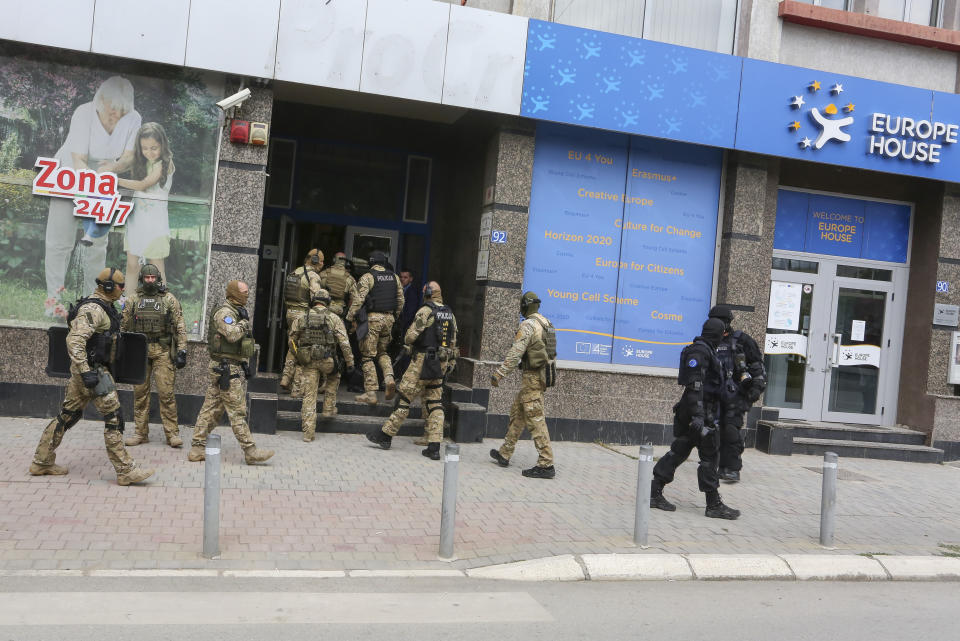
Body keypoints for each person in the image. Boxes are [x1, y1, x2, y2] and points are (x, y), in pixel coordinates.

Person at [29, 267, 154, 486]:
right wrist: (86, 372)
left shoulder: (104, 306)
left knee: (67, 415)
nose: (123, 289)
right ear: (107, 286)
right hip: (93, 373)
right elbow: (74, 340)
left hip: (88, 371)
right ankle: (125, 470)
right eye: (120, 286)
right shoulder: (93, 309)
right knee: (114, 418)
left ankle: (42, 461)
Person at [44, 76, 142, 315]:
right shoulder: (83, 113)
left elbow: (129, 156)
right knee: (60, 239)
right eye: (112, 109)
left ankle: (93, 299)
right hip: (70, 171)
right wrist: (90, 192)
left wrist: (111, 170)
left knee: (98, 241)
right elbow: (79, 158)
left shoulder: (134, 118)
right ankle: (53, 300)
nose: (116, 115)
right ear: (101, 102)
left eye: (121, 110)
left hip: (104, 175)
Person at [650, 318, 740, 519]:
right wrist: (699, 416)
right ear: (717, 333)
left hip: (695, 412)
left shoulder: (706, 350)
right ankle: (713, 504)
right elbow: (694, 387)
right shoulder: (699, 352)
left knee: (680, 451)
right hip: (698, 413)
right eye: (723, 333)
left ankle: (654, 492)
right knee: (709, 457)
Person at [367, 281, 457, 460]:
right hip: (440, 363)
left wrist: (409, 344)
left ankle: (385, 436)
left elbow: (411, 336)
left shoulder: (426, 310)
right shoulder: (450, 314)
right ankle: (434, 446)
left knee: (404, 398)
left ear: (430, 292)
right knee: (435, 402)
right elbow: (453, 340)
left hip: (422, 362)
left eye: (425, 290)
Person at [188, 280, 274, 465]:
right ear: (234, 293)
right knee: (237, 411)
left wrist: (244, 363)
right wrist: (243, 324)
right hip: (225, 370)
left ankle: (197, 448)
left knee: (211, 409)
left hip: (229, 367)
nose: (247, 295)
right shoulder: (225, 313)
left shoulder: (236, 312)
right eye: (244, 291)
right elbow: (232, 335)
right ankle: (250, 451)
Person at [489, 291, 557, 479]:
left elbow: (516, 352)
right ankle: (505, 452)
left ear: (525, 306)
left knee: (536, 420)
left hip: (532, 378)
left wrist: (499, 374)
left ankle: (546, 463)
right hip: (540, 377)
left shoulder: (528, 325)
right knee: (518, 414)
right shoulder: (546, 323)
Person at [120, 263, 187, 448]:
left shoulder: (168, 299)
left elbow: (180, 326)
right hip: (140, 353)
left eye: (153, 278)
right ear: (142, 279)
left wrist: (182, 350)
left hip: (163, 351)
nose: (150, 280)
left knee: (166, 394)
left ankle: (172, 434)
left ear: (158, 279)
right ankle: (140, 433)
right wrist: (119, 350)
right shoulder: (133, 299)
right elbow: (123, 326)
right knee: (140, 395)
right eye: (147, 278)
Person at [709, 305, 767, 483]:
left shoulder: (741, 341)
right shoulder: (709, 340)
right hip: (713, 395)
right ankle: (718, 466)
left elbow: (757, 367)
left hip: (737, 395)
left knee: (731, 429)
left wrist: (756, 388)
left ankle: (732, 468)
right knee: (714, 431)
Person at [288, 288, 354, 441]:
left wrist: (299, 354)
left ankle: (308, 433)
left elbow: (291, 341)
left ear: (313, 301)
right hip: (327, 361)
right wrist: (350, 362)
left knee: (309, 396)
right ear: (328, 303)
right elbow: (344, 343)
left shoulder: (302, 317)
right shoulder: (334, 318)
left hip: (309, 362)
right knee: (335, 375)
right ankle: (328, 408)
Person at [118, 123, 175, 285]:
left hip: (155, 223)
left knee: (155, 267)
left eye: (154, 148)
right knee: (132, 265)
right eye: (145, 148)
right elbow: (122, 164)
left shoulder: (165, 164)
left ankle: (163, 308)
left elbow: (144, 184)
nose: (149, 152)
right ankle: (129, 306)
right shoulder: (142, 162)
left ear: (162, 145)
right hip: (137, 219)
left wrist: (116, 180)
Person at [345, 250, 403, 405]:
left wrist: (349, 318)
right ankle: (389, 378)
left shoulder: (368, 276)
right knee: (383, 352)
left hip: (373, 320)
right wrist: (394, 317)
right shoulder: (394, 277)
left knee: (367, 356)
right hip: (389, 319)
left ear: (371, 263)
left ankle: (370, 393)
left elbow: (358, 301)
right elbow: (401, 300)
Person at [280, 249, 324, 396]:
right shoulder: (313, 276)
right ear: (316, 261)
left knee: (292, 346)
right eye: (322, 261)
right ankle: (297, 387)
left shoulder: (294, 273)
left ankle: (286, 377)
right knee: (303, 350)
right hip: (303, 315)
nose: (323, 265)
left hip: (290, 313)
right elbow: (318, 298)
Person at [319, 252, 358, 318]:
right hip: (338, 311)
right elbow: (354, 299)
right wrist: (347, 312)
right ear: (345, 262)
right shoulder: (350, 278)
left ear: (334, 260)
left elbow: (315, 291)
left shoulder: (323, 274)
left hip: (323, 308)